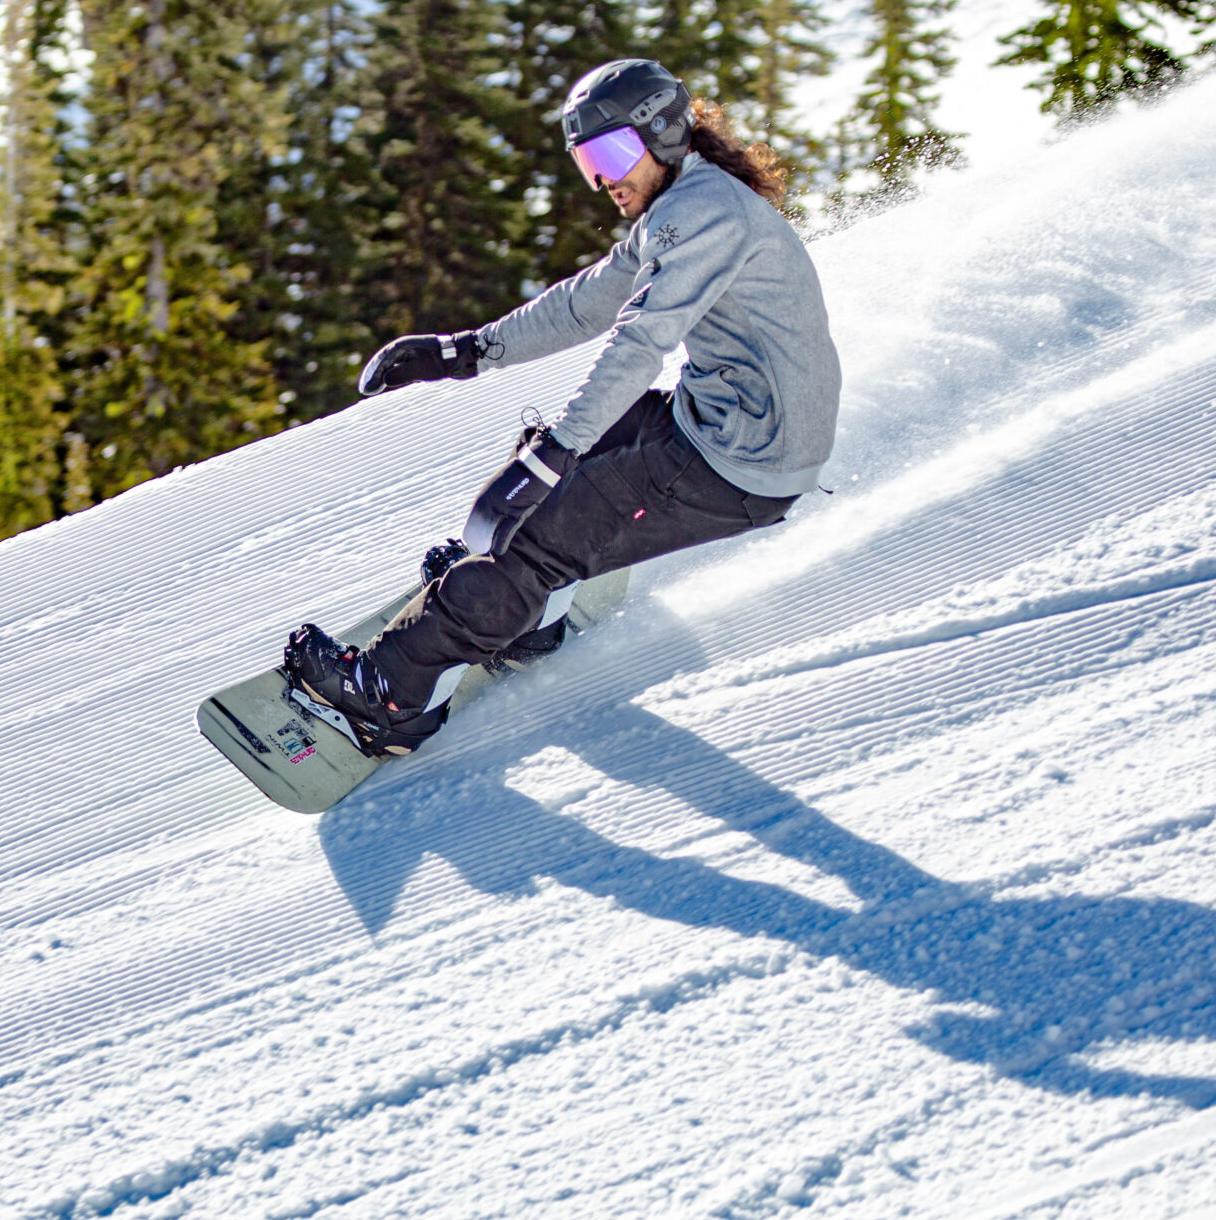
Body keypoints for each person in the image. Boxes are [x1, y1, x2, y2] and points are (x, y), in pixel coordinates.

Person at [282, 58, 842, 756]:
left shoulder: (705, 214)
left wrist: (558, 457)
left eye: (611, 154)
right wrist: (465, 351)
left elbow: (641, 339)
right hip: (722, 425)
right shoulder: (683, 203)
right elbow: (588, 301)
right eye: (586, 162)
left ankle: (392, 693)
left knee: (536, 537)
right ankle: (527, 620)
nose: (603, 179)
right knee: (549, 471)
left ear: (663, 135)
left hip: (742, 463)